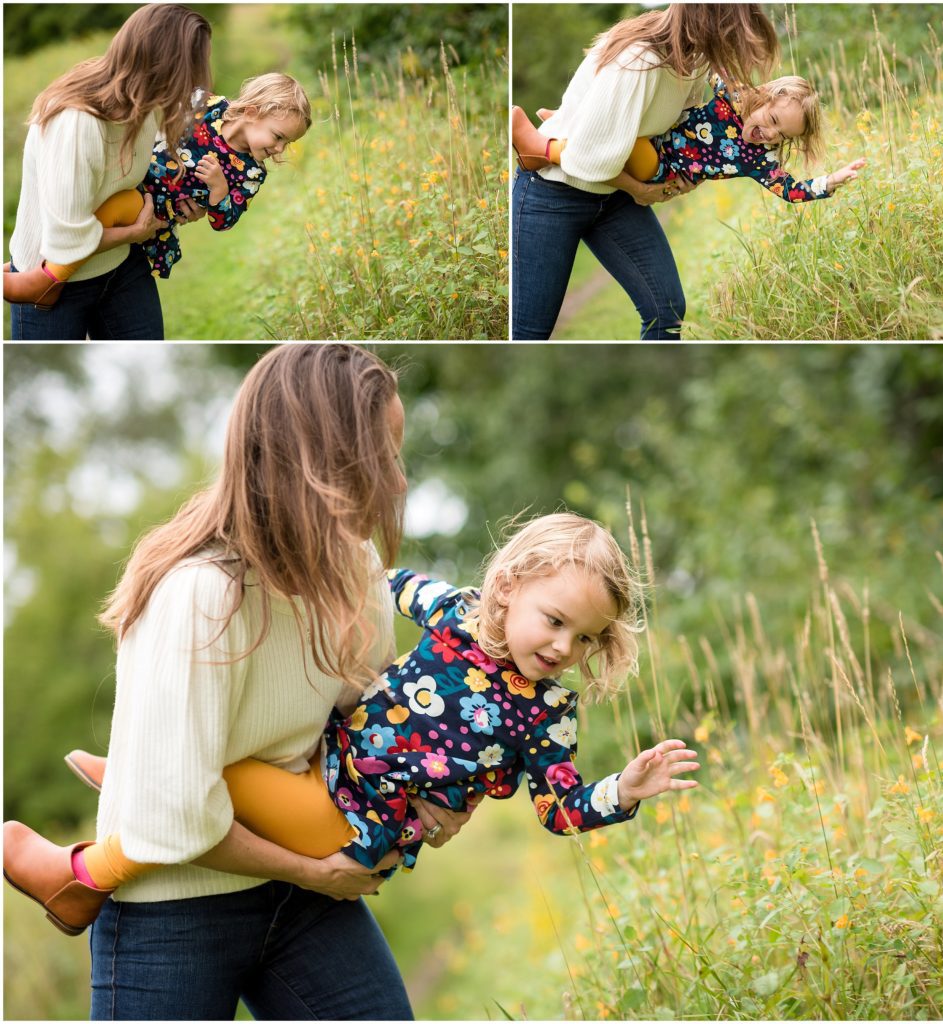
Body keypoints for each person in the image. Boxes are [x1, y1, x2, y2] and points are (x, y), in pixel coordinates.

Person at [2, 344, 472, 1020]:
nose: (398, 484)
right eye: (382, 457)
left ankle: (147, 782)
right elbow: (189, 825)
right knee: (176, 805)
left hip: (299, 903)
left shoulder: (358, 571)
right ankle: (135, 805)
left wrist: (430, 796)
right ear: (320, 464)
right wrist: (313, 870)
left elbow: (362, 732)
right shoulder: (200, 596)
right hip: (173, 906)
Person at [10, 514, 700, 921]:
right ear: (509, 589)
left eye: (584, 639)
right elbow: (383, 583)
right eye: (554, 621)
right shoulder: (454, 612)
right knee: (206, 760)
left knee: (200, 778)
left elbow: (559, 809)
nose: (561, 648)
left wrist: (623, 792)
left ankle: (81, 876)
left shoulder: (547, 713)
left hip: (354, 824)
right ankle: (143, 789)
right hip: (324, 758)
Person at [511, 2, 780, 341]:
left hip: (611, 195)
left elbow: (676, 130)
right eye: (735, 38)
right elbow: (591, 162)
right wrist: (640, 190)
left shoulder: (692, 62)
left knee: (665, 311)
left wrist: (690, 174)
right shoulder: (641, 61)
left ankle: (562, 129)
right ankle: (541, 147)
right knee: (529, 332)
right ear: (712, 24)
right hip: (554, 192)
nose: (736, 52)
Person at [4, 73, 311, 308]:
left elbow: (225, 221)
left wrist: (218, 190)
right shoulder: (212, 107)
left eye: (288, 143)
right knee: (82, 202)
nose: (280, 148)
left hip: (149, 205)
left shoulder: (251, 172)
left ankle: (47, 281)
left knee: (113, 210)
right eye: (278, 136)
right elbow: (166, 114)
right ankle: (26, 263)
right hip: (129, 175)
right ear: (253, 112)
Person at [5, 4, 212, 340]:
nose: (196, 80)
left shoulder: (143, 106)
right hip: (51, 280)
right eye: (193, 67)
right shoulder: (78, 122)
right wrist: (135, 233)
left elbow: (159, 168)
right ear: (167, 66)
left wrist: (191, 201)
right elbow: (66, 241)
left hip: (120, 265)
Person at [513, 73, 866, 204]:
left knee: (626, 140)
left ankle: (544, 148)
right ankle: (569, 123)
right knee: (631, 108)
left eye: (781, 135)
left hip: (661, 169)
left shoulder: (759, 160)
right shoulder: (735, 96)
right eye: (772, 119)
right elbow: (711, 63)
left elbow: (792, 191)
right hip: (657, 132)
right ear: (764, 96)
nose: (770, 134)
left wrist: (831, 181)